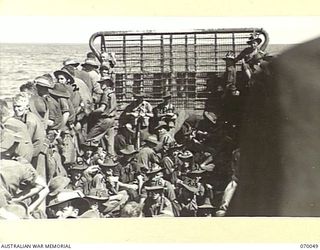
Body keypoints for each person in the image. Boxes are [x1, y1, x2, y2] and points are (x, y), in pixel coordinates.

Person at [12, 93, 46, 168]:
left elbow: (26, 142)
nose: (16, 109)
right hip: (34, 152)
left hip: (33, 154)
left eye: (19, 106)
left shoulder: (29, 121)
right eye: (14, 106)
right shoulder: (29, 116)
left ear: (27, 107)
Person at [86, 78, 117, 157]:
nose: (100, 85)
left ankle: (88, 158)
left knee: (89, 138)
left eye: (102, 83)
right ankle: (110, 158)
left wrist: (91, 112)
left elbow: (102, 109)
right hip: (112, 119)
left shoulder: (105, 93)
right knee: (110, 142)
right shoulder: (112, 93)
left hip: (104, 120)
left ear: (107, 83)